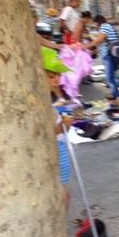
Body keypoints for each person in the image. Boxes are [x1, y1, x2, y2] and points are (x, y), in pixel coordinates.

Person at [41, 47, 72, 202]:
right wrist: (64, 125)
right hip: (55, 149)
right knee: (62, 194)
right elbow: (48, 132)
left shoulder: (49, 96)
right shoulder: (40, 102)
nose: (57, 80)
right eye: (52, 76)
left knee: (64, 191)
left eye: (59, 75)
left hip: (59, 147)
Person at [85, 15, 119, 102]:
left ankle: (116, 95)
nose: (95, 25)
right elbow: (104, 43)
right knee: (112, 75)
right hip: (113, 53)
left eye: (95, 23)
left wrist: (86, 46)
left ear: (98, 22)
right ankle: (116, 94)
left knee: (109, 77)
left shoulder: (104, 27)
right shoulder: (108, 26)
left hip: (109, 54)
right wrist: (94, 52)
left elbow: (99, 40)